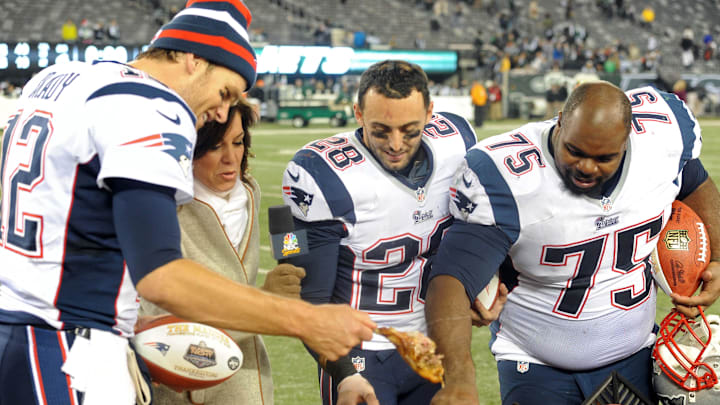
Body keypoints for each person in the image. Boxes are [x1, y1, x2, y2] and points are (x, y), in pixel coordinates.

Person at [0, 1, 375, 404]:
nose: (218, 110)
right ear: (194, 60)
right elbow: (161, 276)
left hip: (16, 325)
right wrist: (307, 320)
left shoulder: (59, 78)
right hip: (67, 344)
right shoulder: (152, 105)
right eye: (224, 92)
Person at [426, 81, 720, 404]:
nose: (586, 167)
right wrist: (459, 376)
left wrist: (717, 257)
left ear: (628, 140)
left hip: (635, 353)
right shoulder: (508, 176)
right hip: (534, 361)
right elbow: (451, 278)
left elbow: (695, 182)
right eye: (575, 151)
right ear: (560, 119)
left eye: (603, 158)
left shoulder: (660, 140)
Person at [281, 60, 497, 405]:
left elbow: (482, 227)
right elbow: (311, 299)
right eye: (381, 130)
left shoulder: (457, 141)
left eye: (410, 130)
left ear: (430, 113)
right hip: (357, 351)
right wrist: (343, 374)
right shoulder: (320, 173)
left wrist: (490, 282)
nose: (396, 143)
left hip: (431, 342)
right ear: (358, 114)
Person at [139, 101, 305, 404]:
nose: (231, 158)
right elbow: (159, 327)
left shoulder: (250, 192)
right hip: (186, 385)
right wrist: (266, 303)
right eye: (216, 146)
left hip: (248, 381)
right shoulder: (161, 210)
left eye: (239, 142)